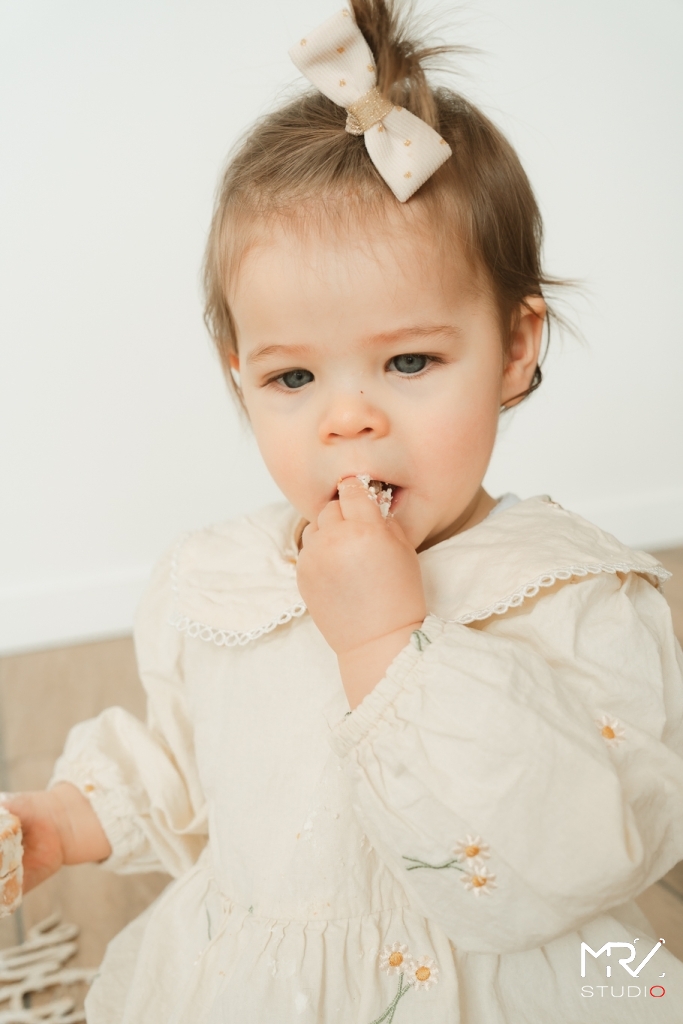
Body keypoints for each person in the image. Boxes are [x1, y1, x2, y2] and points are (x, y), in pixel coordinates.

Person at [5, 2, 683, 1021]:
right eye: (292, 378)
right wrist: (62, 822)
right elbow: (190, 755)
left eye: (408, 361)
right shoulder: (220, 576)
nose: (348, 418)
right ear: (240, 379)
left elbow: (585, 843)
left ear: (511, 347)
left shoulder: (573, 593)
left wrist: (386, 639)